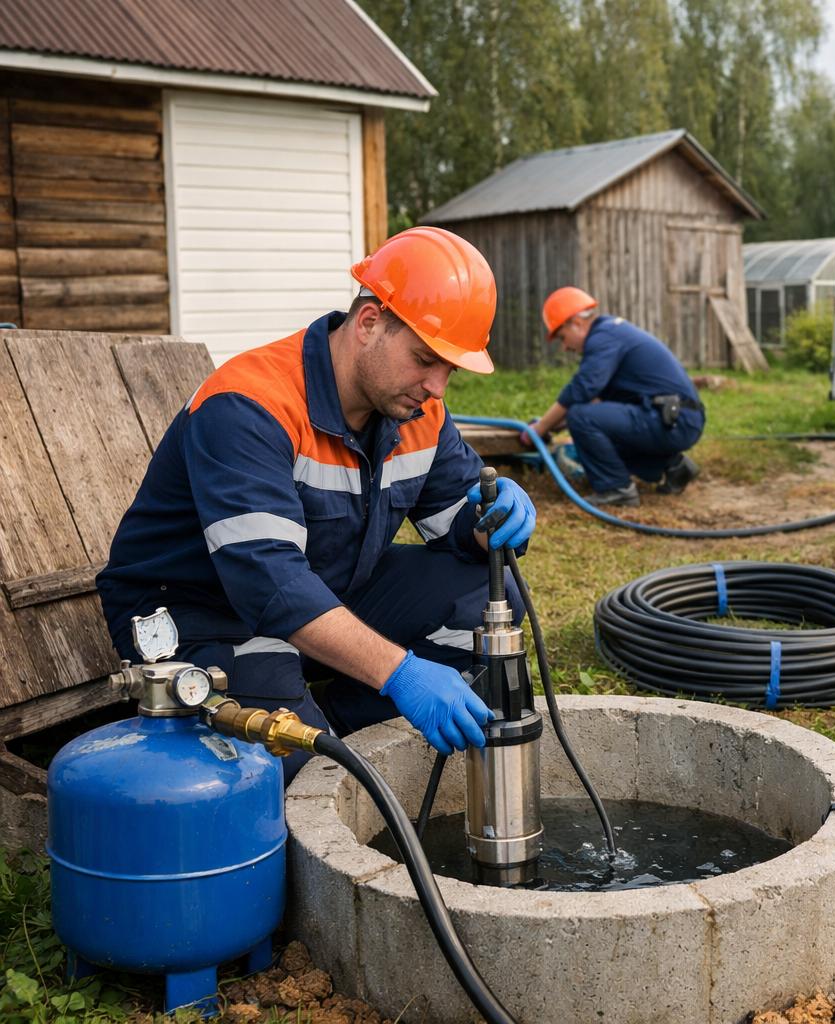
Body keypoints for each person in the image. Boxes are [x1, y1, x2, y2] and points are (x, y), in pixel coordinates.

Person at [96, 226, 537, 782]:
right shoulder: (250, 403)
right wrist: (401, 672)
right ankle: (323, 730)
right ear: (370, 323)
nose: (437, 386)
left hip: (324, 588)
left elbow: (457, 523)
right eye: (426, 358)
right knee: (296, 768)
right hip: (202, 610)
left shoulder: (413, 411)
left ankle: (348, 725)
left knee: (487, 597)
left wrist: (491, 522)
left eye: (450, 368)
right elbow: (270, 584)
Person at [523, 287, 704, 507]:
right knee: (588, 422)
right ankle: (673, 466)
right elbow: (596, 402)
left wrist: (541, 427)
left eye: (562, 337)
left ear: (576, 324)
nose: (565, 347)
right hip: (674, 417)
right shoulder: (610, 332)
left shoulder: (603, 338)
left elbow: (581, 390)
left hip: (675, 420)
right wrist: (551, 426)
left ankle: (616, 488)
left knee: (582, 418)